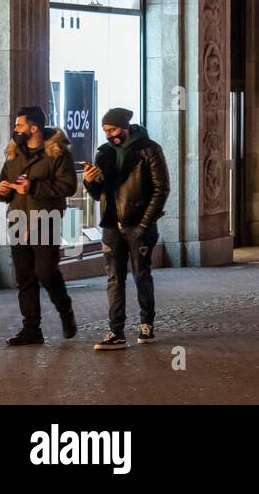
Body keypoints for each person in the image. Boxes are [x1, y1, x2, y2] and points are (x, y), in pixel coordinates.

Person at [82, 107, 171, 349]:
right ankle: (116, 332)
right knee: (114, 279)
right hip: (111, 224)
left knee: (141, 275)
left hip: (138, 225)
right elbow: (100, 194)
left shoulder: (149, 149)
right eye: (105, 131)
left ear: (124, 127)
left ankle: (147, 325)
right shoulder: (104, 153)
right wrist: (90, 182)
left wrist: (144, 222)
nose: (108, 135)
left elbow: (161, 189)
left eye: (111, 130)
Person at [0, 107, 78, 347]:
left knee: (45, 272)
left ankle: (65, 311)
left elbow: (68, 186)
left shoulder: (57, 153)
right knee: (24, 277)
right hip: (19, 219)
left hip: (46, 219)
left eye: (19, 125)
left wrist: (33, 187)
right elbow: (3, 181)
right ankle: (31, 328)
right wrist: (0, 190)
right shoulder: (13, 152)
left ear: (34, 128)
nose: (15, 129)